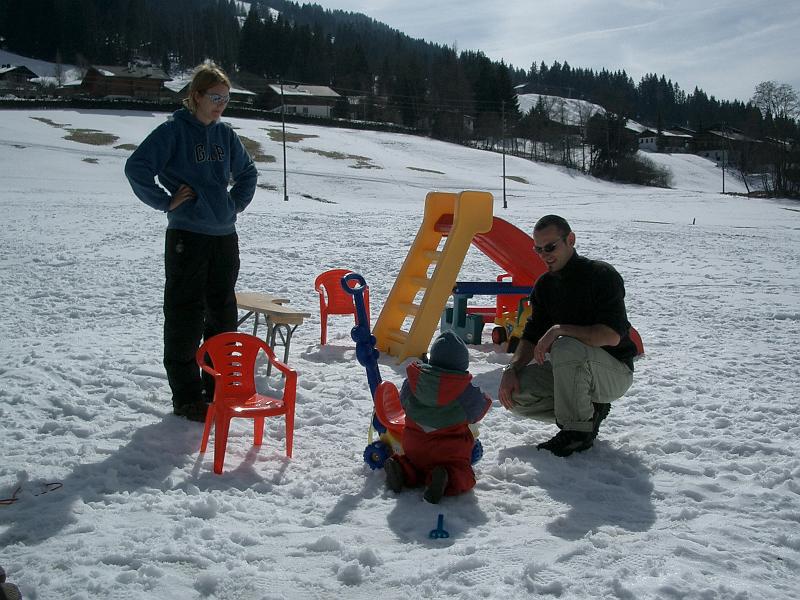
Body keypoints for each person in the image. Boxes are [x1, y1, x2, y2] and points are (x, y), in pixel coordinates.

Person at [125, 61, 258, 422]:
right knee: (185, 314)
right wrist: (165, 201)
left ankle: (217, 388)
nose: (221, 105)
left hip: (224, 236)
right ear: (196, 96)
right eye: (215, 98)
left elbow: (247, 173)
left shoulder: (225, 135)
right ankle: (186, 397)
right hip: (187, 236)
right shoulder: (173, 132)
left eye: (226, 99)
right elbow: (136, 168)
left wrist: (234, 204)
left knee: (222, 314)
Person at [498, 214, 637, 457]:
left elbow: (611, 336)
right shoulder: (544, 286)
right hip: (573, 370)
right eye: (538, 249)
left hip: (614, 371)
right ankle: (590, 412)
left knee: (565, 345)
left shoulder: (601, 275)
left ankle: (576, 433)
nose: (544, 255)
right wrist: (511, 369)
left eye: (550, 247)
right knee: (516, 394)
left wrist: (559, 329)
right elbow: (531, 336)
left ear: (570, 240)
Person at [384, 330, 492, 503]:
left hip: (414, 447)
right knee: (462, 474)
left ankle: (402, 469)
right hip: (448, 452)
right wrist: (485, 399)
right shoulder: (464, 392)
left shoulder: (414, 381)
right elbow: (478, 411)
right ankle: (446, 477)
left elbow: (403, 402)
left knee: (414, 464)